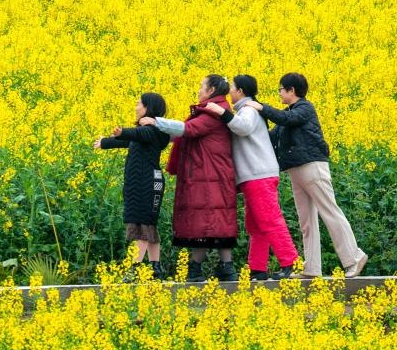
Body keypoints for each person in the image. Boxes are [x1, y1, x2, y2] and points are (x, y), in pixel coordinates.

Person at [245, 73, 367, 278]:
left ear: (291, 90)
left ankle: (354, 258)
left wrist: (262, 108)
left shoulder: (304, 108)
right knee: (306, 221)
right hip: (297, 170)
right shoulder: (288, 113)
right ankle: (312, 268)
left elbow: (287, 119)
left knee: (330, 212)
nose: (279, 93)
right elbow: (271, 136)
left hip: (312, 167)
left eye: (281, 89)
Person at [139, 74, 238, 283]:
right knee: (212, 222)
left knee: (209, 223)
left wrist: (156, 122)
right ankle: (219, 268)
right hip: (211, 174)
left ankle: (201, 269)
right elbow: (185, 132)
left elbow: (188, 130)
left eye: (202, 86)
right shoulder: (215, 110)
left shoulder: (213, 112)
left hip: (209, 175)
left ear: (211, 90)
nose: (199, 90)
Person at [203, 75, 299, 279]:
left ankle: (291, 263)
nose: (229, 92)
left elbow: (243, 127)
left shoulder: (248, 110)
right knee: (255, 225)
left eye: (232, 88)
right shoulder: (245, 110)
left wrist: (222, 112)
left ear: (241, 91)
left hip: (259, 175)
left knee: (270, 220)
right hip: (254, 176)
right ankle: (258, 269)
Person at [94, 93, 172, 279]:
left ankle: (134, 269)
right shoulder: (146, 133)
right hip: (143, 184)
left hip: (148, 183)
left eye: (139, 104)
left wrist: (123, 131)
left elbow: (137, 134)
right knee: (148, 224)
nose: (136, 107)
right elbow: (128, 140)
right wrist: (105, 142)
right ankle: (155, 268)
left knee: (142, 223)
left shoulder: (153, 131)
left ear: (148, 108)